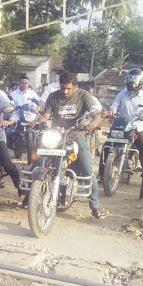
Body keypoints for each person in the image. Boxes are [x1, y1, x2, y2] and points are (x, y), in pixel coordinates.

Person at [39, 72, 104, 219]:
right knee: (38, 161)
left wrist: (94, 122)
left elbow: (97, 113)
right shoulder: (53, 96)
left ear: (75, 86)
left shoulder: (83, 95)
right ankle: (31, 195)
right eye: (63, 88)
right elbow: (46, 115)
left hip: (76, 135)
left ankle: (95, 206)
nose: (65, 91)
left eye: (68, 88)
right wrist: (38, 121)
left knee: (88, 170)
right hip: (56, 136)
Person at [107, 68, 143, 182]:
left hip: (136, 126)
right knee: (106, 146)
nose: (132, 85)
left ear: (140, 82)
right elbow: (114, 106)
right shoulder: (121, 94)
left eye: (134, 83)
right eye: (130, 83)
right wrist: (111, 112)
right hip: (121, 125)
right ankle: (102, 172)